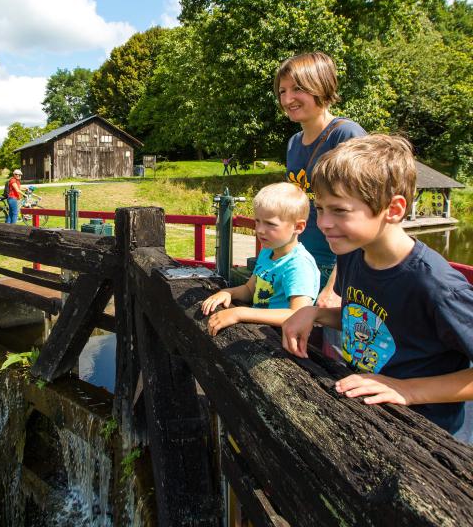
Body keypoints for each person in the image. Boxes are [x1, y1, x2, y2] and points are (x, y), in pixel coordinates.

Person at [282, 134, 473, 438]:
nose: (323, 223)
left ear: (394, 209)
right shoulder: (354, 254)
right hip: (372, 417)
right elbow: (367, 317)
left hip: (429, 437)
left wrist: (406, 389)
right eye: (320, 209)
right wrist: (315, 314)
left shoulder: (436, 285)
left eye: (339, 211)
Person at [275, 52, 366, 354]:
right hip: (305, 264)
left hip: (341, 268)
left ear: (320, 86)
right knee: (302, 351)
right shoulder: (293, 143)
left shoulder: (345, 135)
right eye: (282, 91)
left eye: (297, 89)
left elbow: (361, 217)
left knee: (340, 358)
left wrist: (335, 287)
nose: (288, 99)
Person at [202, 182, 320, 335]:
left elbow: (298, 314)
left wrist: (240, 313)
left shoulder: (299, 265)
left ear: (298, 227)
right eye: (257, 221)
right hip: (259, 332)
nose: (259, 230)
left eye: (270, 224)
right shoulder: (267, 252)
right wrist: (228, 293)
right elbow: (250, 290)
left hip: (281, 341)